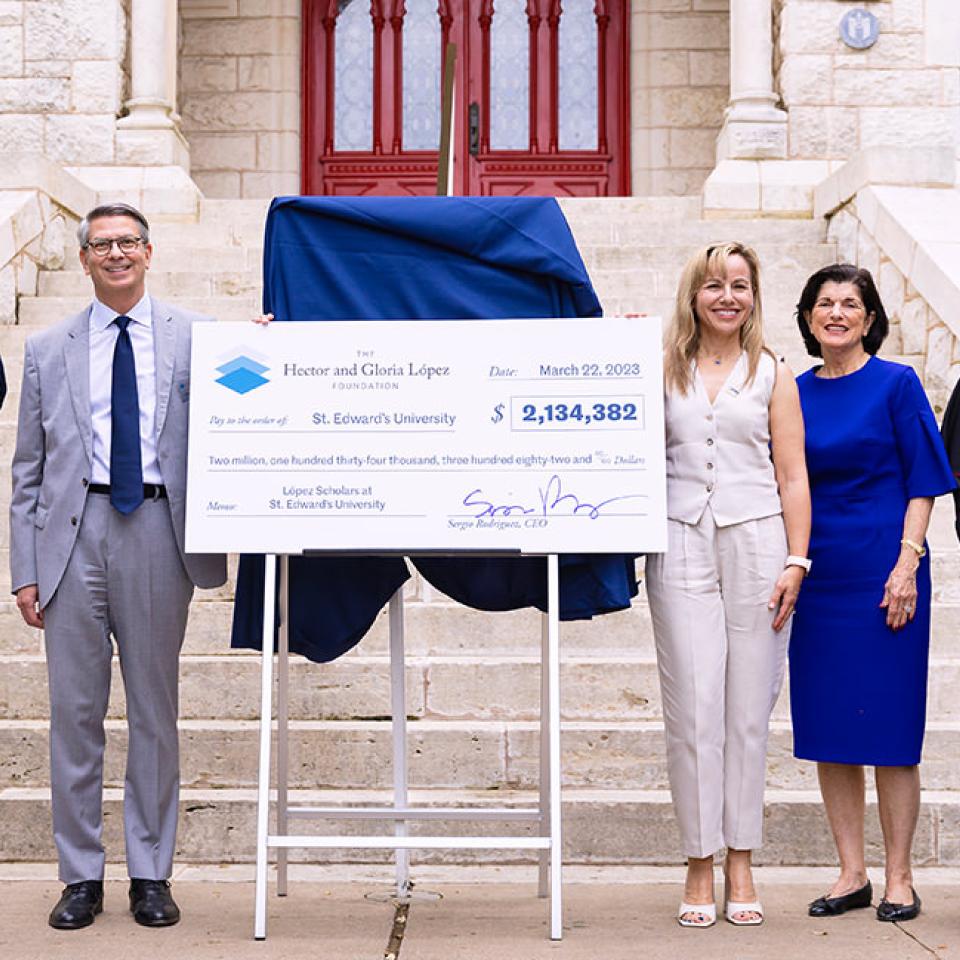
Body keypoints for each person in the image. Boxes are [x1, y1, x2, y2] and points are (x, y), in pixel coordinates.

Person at [9, 202, 227, 930]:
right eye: (102, 244)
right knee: (74, 716)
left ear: (149, 250)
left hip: (160, 531)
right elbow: (27, 474)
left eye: (128, 242)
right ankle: (79, 876)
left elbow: (248, 391)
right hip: (73, 538)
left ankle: (150, 872)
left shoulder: (198, 337)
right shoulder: (46, 348)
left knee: (154, 712)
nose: (116, 254)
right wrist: (24, 569)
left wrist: (264, 353)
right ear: (84, 259)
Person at [645, 242, 811, 928]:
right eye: (713, 285)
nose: (727, 297)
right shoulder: (661, 366)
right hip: (680, 536)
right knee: (692, 710)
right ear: (693, 295)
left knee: (748, 709)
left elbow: (793, 474)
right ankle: (698, 859)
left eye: (739, 285)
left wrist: (797, 560)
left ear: (754, 296)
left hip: (756, 540)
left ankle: (741, 856)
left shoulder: (774, 372)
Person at [789, 264, 954, 923]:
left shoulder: (898, 383)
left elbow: (924, 481)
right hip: (820, 575)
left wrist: (907, 561)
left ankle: (900, 877)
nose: (836, 313)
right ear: (807, 318)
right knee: (832, 730)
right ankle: (851, 872)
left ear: (870, 316)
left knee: (889, 730)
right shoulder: (793, 391)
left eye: (849, 304)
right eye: (823, 303)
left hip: (889, 574)